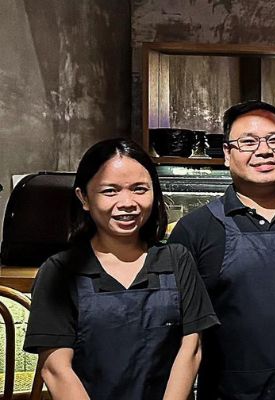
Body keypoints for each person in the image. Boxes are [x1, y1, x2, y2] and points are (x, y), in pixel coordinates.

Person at [24, 138, 218, 399]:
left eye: (139, 189)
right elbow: (56, 369)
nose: (127, 202)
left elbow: (191, 348)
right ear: (84, 197)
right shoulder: (60, 270)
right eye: (110, 191)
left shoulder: (176, 259)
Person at [169, 100, 275, 399]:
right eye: (248, 142)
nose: (264, 151)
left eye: (274, 140)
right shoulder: (196, 230)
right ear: (227, 155)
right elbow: (180, 334)